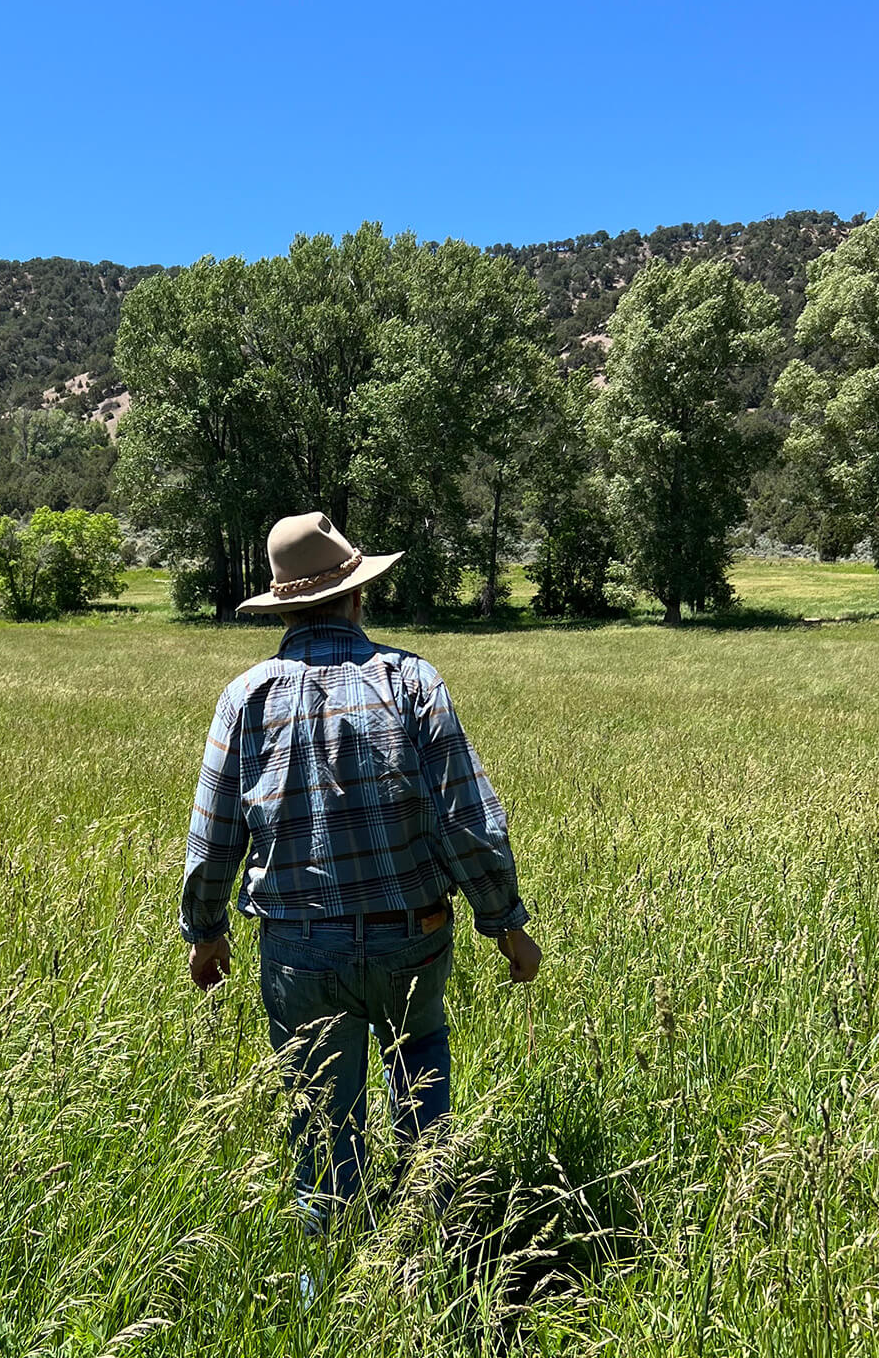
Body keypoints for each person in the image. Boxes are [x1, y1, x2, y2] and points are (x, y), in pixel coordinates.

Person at [181, 511, 544, 1232]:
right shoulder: (411, 679)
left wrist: (206, 929)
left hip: (297, 948)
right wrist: (505, 926)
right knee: (421, 1099)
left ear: (286, 604)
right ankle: (427, 1261)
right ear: (356, 596)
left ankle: (330, 1293)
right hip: (412, 933)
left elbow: (214, 832)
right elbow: (467, 821)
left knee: (320, 1132)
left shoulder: (245, 696)